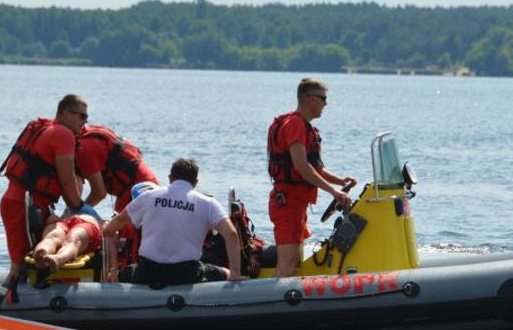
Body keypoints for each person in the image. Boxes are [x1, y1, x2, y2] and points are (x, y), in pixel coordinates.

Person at [102, 158, 244, 287]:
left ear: (170, 178)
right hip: (186, 273)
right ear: (195, 183)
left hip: (147, 272)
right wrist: (235, 273)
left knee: (125, 273)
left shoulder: (148, 196)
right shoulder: (208, 203)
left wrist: (113, 268)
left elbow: (111, 228)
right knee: (226, 272)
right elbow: (231, 234)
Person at [266, 77, 356, 277]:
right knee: (288, 266)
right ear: (309, 99)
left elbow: (314, 169)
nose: (326, 103)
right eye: (323, 98)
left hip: (296, 204)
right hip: (287, 204)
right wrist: (333, 191)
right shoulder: (295, 124)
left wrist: (340, 181)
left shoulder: (304, 126)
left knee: (294, 265)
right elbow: (301, 166)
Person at [0, 95, 88, 286]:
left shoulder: (46, 129)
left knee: (34, 260)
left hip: (25, 203)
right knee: (21, 265)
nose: (84, 122)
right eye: (81, 116)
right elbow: (66, 179)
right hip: (24, 205)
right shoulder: (63, 134)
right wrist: (80, 208)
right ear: (64, 113)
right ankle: (4, 302)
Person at [76, 120, 159, 212]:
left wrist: (77, 211)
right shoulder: (89, 133)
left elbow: (99, 193)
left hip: (137, 190)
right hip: (147, 182)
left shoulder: (85, 147)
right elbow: (77, 181)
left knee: (121, 224)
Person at [31, 209, 104, 271]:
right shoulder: (71, 205)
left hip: (88, 223)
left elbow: (107, 229)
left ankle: (59, 258)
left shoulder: (74, 204)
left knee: (74, 238)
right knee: (52, 237)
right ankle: (42, 252)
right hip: (64, 222)